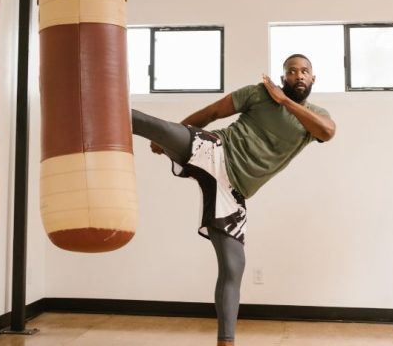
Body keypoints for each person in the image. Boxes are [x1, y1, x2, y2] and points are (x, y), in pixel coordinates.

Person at [132, 54, 336, 346]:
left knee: (233, 267)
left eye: (304, 71)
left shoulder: (315, 117)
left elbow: (328, 132)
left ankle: (225, 343)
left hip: (234, 191)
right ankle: (93, 109)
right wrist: (166, 139)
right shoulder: (257, 93)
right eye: (291, 71)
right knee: (158, 127)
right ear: (282, 78)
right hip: (217, 150)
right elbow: (212, 112)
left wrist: (285, 102)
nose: (298, 76)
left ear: (313, 78)